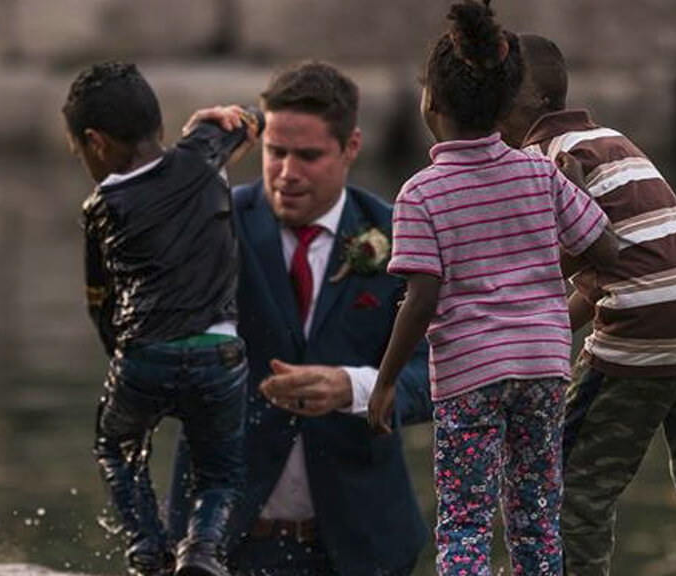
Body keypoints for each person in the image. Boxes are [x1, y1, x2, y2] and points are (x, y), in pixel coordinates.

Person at [497, 34, 676, 576]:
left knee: (571, 483)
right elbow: (613, 271)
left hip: (646, 317)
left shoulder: (537, 162)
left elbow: (553, 272)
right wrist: (550, 327)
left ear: (516, 107)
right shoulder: (610, 139)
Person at [367, 2, 618, 575]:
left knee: (465, 517)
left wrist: (385, 382)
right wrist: (574, 193)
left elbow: (422, 299)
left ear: (430, 101)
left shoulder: (421, 195)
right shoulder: (540, 172)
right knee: (534, 512)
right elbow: (605, 249)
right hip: (544, 365)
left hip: (469, 374)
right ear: (508, 104)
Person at [166, 61, 433, 576]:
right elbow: (152, 300)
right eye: (276, 152)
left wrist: (353, 387)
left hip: (363, 547)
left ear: (351, 147)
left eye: (308, 156)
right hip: (220, 544)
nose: (287, 172)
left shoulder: (399, 236)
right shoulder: (215, 222)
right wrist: (189, 172)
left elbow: (438, 375)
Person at [64, 60, 259, 576]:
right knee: (219, 475)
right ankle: (201, 550)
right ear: (160, 127)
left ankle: (147, 547)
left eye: (77, 149)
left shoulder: (100, 205)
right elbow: (252, 117)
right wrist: (218, 122)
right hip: (219, 353)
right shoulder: (204, 155)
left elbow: (99, 299)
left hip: (143, 353)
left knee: (116, 446)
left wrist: (122, 357)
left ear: (95, 142)